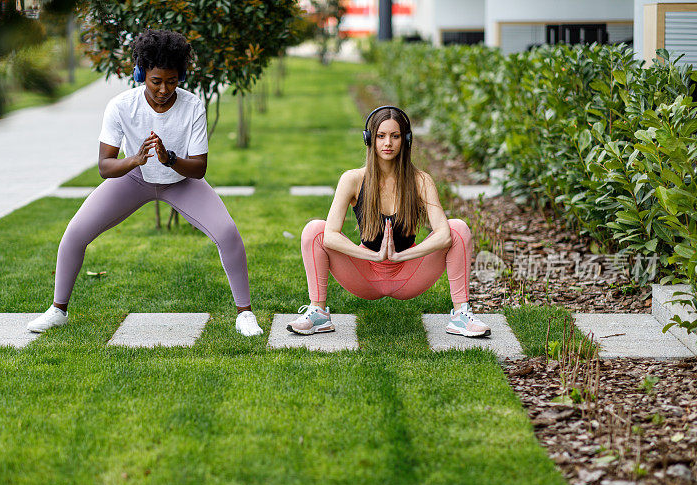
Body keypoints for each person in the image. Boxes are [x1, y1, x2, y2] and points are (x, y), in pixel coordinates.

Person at [28, 29, 263, 336]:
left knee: (228, 233)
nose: (164, 89)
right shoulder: (121, 106)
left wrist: (169, 160)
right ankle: (58, 310)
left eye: (172, 80)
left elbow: (199, 168)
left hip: (180, 181)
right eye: (156, 81)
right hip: (134, 178)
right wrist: (134, 161)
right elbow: (105, 166)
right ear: (141, 74)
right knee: (75, 233)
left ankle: (244, 314)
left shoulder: (193, 107)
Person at [287, 106, 491, 337]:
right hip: (365, 274)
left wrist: (399, 256)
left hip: (409, 274)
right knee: (314, 230)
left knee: (458, 229)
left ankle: (460, 315)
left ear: (405, 140)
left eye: (395, 136)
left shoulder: (421, 180)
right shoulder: (352, 179)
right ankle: (318, 312)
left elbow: (444, 235)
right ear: (369, 139)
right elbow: (331, 235)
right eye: (381, 136)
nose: (388, 143)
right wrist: (373, 256)